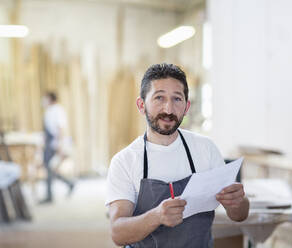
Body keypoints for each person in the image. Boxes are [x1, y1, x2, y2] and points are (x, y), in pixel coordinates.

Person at [106, 63, 249, 247]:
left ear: (187, 106)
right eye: (159, 98)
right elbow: (118, 233)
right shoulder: (125, 161)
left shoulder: (205, 149)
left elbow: (239, 215)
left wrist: (238, 202)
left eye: (177, 99)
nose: (169, 109)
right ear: (141, 105)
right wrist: (156, 216)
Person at [39, 92, 74, 204]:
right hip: (49, 143)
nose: (43, 101)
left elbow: (60, 128)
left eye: (45, 98)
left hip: (55, 143)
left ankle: (50, 195)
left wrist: (60, 144)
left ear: (50, 99)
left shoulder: (58, 110)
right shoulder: (49, 111)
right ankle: (69, 183)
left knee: (50, 168)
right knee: (49, 168)